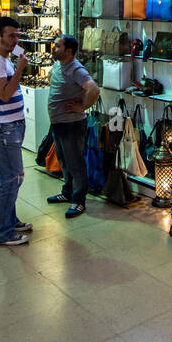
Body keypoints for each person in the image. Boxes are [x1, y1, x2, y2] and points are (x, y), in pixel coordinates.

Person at [0, 17, 34, 246]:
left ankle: (8, 220)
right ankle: (2, 233)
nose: (15, 40)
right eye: (11, 36)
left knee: (4, 176)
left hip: (10, 124)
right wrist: (20, 70)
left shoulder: (4, 59)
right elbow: (4, 94)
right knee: (12, 178)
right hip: (4, 128)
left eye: (17, 36)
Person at [46, 35, 100, 220]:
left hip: (72, 124)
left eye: (58, 46)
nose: (54, 48)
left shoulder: (76, 69)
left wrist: (82, 107)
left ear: (69, 51)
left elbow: (93, 89)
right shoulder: (58, 65)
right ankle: (68, 192)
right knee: (64, 160)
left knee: (75, 164)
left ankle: (78, 200)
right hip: (58, 123)